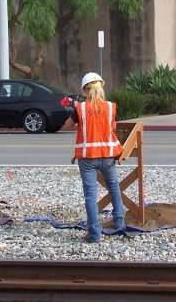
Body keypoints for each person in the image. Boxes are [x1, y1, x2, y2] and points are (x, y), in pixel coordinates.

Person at [62, 72, 125, 243]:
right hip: (107, 155)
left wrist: (72, 109)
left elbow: (66, 126)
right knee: (113, 187)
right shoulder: (111, 107)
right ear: (101, 88)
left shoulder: (80, 109)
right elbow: (112, 127)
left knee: (90, 194)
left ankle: (94, 233)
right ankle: (119, 222)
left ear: (85, 90)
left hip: (87, 157)